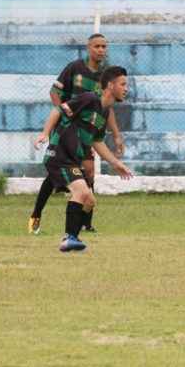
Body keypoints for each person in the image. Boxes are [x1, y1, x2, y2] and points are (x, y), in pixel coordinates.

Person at [28, 34, 125, 234]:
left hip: (87, 132)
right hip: (67, 129)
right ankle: (37, 213)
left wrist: (116, 135)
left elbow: (106, 110)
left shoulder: (107, 77)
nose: (101, 50)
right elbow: (55, 94)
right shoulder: (75, 68)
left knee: (89, 171)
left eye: (104, 46)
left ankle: (84, 224)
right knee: (56, 176)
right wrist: (61, 118)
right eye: (97, 46)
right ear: (89, 48)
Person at [34, 66, 133, 252]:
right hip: (59, 154)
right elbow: (58, 110)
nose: (126, 88)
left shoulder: (104, 111)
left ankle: (73, 235)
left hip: (72, 159)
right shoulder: (89, 99)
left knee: (90, 201)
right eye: (123, 84)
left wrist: (116, 163)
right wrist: (45, 133)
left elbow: (97, 141)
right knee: (80, 192)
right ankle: (69, 238)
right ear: (110, 86)